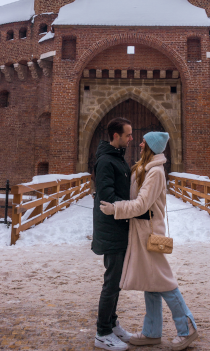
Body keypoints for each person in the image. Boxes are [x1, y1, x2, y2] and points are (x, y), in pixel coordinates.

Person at [100, 132, 199, 351]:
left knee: (164, 281)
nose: (141, 142)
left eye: (145, 141)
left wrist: (116, 208)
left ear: (151, 146)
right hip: (142, 231)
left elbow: (142, 204)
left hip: (149, 232)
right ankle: (152, 332)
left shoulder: (155, 173)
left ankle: (187, 327)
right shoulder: (146, 168)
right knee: (151, 282)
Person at [92, 117, 134, 351]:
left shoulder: (115, 157)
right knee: (111, 282)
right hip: (112, 228)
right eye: (127, 135)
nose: (131, 138)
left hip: (118, 226)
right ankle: (102, 332)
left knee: (116, 281)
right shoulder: (107, 161)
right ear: (116, 136)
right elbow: (107, 196)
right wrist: (135, 208)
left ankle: (112, 323)